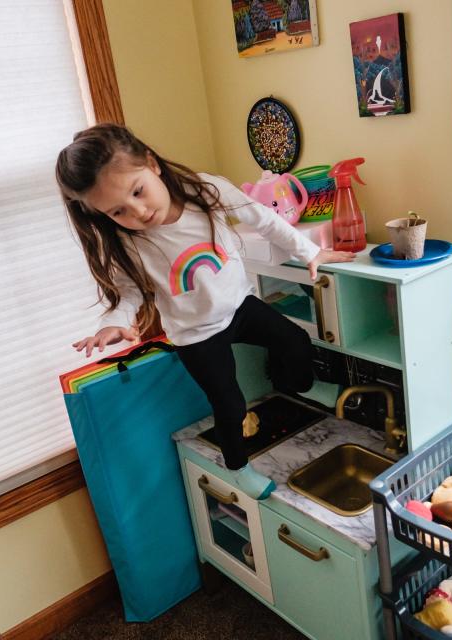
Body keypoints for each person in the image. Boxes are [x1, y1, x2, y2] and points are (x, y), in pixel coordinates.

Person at [55, 123, 356, 499]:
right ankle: (239, 467)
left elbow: (263, 219)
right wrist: (114, 323)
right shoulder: (129, 242)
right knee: (229, 403)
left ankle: (304, 385)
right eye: (118, 211)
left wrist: (310, 252)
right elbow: (128, 292)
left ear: (152, 163)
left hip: (238, 305)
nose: (139, 211)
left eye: (138, 191)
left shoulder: (206, 191)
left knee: (294, 339)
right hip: (196, 334)